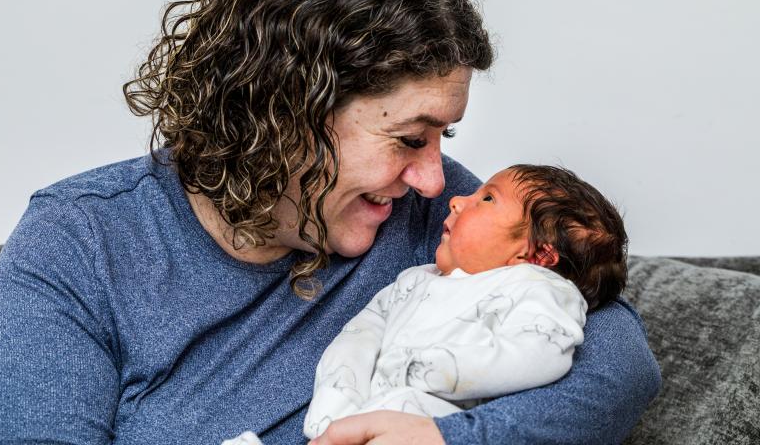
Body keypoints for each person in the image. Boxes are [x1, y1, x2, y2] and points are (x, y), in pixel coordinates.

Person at [0, 0, 660, 444]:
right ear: (282, 113)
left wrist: (451, 438)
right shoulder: (80, 246)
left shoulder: (436, 221)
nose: (436, 180)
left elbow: (619, 362)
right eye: (407, 138)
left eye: (442, 140)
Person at [224, 164, 628, 445]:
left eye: (486, 199)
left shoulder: (537, 289)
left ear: (535, 255)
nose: (456, 199)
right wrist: (337, 393)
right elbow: (361, 334)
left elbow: (540, 352)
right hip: (366, 411)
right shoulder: (416, 280)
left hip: (435, 413)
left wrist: (445, 371)